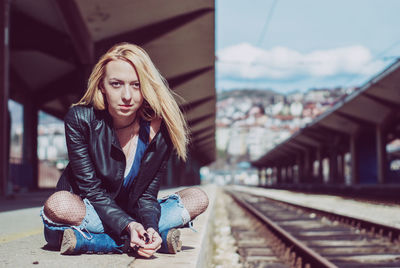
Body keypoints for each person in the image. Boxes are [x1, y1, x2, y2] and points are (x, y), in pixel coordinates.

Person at [40, 42, 209, 258]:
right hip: (89, 211)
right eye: (116, 84)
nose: (127, 96)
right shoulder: (81, 119)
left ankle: (99, 241)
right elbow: (91, 190)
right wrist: (129, 225)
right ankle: (130, 241)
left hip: (131, 212)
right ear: (102, 86)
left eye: (136, 85)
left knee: (198, 197)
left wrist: (150, 227)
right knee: (58, 204)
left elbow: (147, 196)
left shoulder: (160, 130)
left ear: (146, 86)